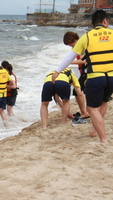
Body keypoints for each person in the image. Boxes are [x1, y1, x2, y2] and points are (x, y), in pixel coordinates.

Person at [52, 10, 113, 143]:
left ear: (93, 24)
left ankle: (103, 139)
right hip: (111, 77)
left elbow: (70, 57)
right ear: (105, 21)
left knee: (92, 108)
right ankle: (94, 128)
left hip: (96, 77)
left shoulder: (87, 36)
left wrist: (57, 71)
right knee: (104, 102)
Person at [63, 31, 90, 119]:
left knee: (77, 91)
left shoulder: (80, 46)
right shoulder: (80, 44)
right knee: (85, 91)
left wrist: (69, 62)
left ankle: (84, 112)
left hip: (86, 71)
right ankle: (86, 111)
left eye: (70, 44)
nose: (70, 46)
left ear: (74, 40)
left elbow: (83, 61)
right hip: (85, 71)